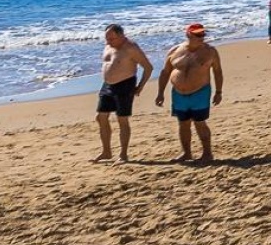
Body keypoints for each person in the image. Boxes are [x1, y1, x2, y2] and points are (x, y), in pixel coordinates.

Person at [157, 23, 224, 162]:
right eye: (198, 35)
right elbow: (165, 72)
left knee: (200, 122)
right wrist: (160, 93)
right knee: (183, 123)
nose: (202, 37)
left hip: (200, 92)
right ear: (188, 35)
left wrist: (218, 91)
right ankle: (186, 153)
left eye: (203, 34)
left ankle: (207, 153)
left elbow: (217, 71)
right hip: (178, 93)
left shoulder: (210, 51)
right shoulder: (175, 50)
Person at [94, 25, 153, 163]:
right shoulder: (108, 45)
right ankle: (106, 152)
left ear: (121, 35)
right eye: (107, 38)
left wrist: (140, 87)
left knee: (122, 119)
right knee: (100, 117)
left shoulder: (131, 48)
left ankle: (123, 155)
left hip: (125, 84)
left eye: (112, 38)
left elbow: (148, 68)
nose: (108, 41)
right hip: (108, 85)